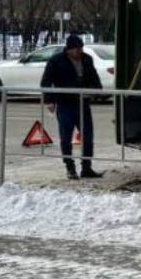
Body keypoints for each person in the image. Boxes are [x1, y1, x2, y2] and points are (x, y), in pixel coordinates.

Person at [41, 34, 103, 180]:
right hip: (65, 104)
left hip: (83, 104)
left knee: (88, 136)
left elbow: (94, 78)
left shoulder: (87, 59)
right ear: (69, 49)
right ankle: (70, 167)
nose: (79, 52)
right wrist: (49, 100)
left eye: (81, 48)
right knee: (66, 137)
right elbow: (46, 81)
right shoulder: (57, 61)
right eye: (76, 49)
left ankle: (86, 167)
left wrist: (95, 91)